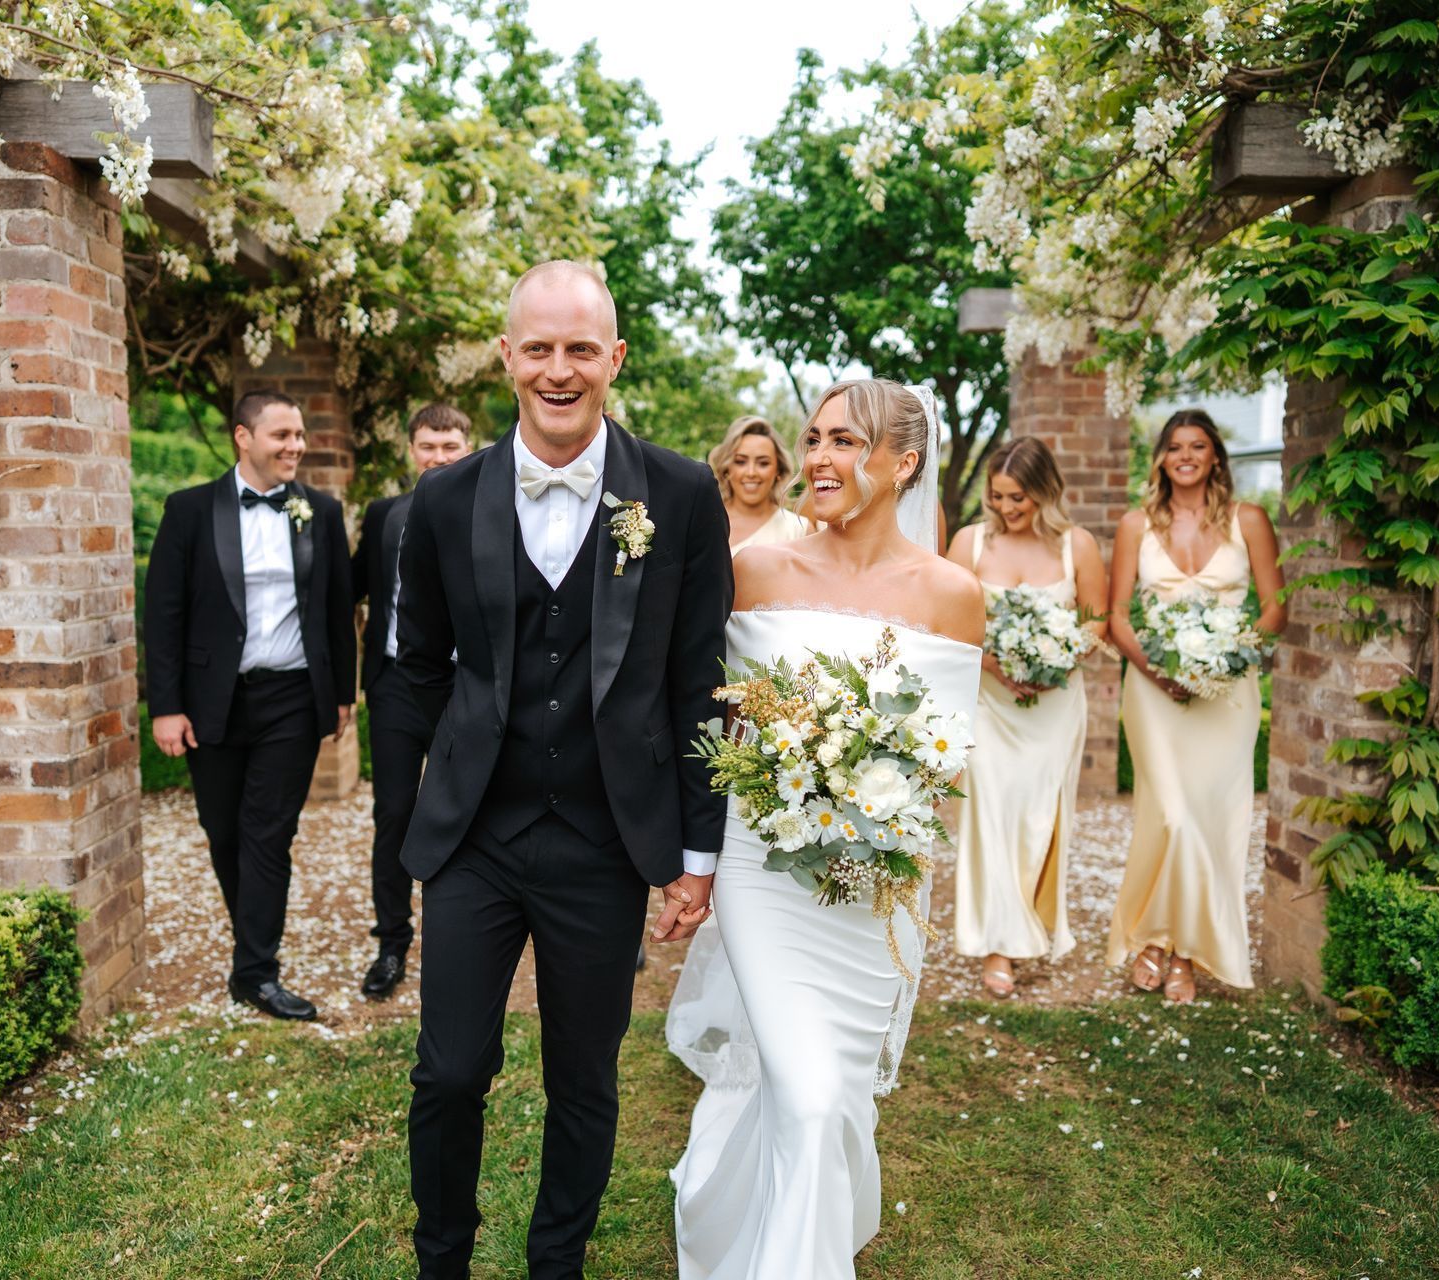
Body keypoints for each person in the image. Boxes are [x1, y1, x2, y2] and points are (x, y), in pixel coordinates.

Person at [393, 260, 734, 1279]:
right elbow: (413, 674)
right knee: (452, 1070)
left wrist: (697, 850)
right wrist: (404, 816)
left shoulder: (677, 492)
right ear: (506, 358)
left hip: (604, 839)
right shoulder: (444, 499)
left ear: (614, 358)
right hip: (476, 838)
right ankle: (442, 1258)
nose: (558, 368)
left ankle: (557, 1265)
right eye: (537, 347)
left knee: (583, 1077)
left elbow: (699, 682)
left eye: (580, 348)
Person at [666, 379, 983, 1278]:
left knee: (830, 1095)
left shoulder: (954, 595)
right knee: (806, 1097)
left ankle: (753, 1220)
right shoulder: (758, 570)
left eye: (845, 442)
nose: (817, 460)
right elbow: (709, 714)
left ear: (902, 463)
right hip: (763, 865)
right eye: (814, 440)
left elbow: (945, 758)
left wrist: (861, 785)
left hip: (872, 883)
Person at [143, 390, 356, 1021]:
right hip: (213, 702)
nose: (296, 445)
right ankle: (253, 943)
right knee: (223, 831)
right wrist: (166, 706)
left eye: (300, 434)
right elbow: (164, 613)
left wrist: (342, 694)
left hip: (291, 696)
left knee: (268, 834)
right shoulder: (188, 511)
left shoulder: (320, 510)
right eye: (282, 435)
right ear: (243, 436)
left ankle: (256, 973)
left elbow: (338, 610)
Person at [1106, 408, 1285, 1004]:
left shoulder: (1250, 520)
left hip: (1226, 694)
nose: (1186, 455)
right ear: (1160, 457)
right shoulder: (1136, 525)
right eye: (1176, 446)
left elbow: (1273, 609)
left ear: (1216, 458)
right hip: (1153, 693)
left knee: (1212, 821)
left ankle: (1180, 952)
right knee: (1170, 818)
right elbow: (1115, 617)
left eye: (1199, 446)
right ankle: (1153, 937)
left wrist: (1226, 661)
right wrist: (1158, 671)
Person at [945, 437, 1106, 998]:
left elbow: (1096, 625)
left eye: (1019, 498)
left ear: (1045, 492)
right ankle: (996, 944)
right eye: (998, 497)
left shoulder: (1076, 546)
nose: (1007, 509)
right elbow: (945, 619)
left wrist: (1052, 662)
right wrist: (998, 664)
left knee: (1039, 814)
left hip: (1054, 704)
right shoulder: (969, 542)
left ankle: (1031, 922)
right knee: (991, 811)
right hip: (989, 700)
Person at [350, 403, 472, 1001]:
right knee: (394, 813)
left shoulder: (494, 508)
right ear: (411, 450)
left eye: (451, 446)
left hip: (467, 686)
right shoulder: (383, 516)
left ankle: (470, 937)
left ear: (468, 448)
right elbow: (347, 590)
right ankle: (392, 944)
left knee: (476, 813)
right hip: (396, 685)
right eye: (429, 446)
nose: (440, 457)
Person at [708, 415, 813, 552]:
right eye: (740, 461)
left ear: (778, 470)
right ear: (727, 468)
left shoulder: (798, 531)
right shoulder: (703, 521)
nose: (751, 473)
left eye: (763, 463)